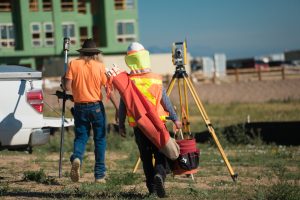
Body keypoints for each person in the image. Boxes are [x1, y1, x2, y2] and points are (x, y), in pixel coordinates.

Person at [118, 42, 181, 197]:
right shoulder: (156, 79)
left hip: (139, 126)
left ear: (129, 60)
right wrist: (175, 118)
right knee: (161, 152)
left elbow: (122, 107)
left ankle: (152, 188)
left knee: (146, 158)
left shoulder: (128, 82)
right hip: (158, 124)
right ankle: (160, 174)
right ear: (145, 57)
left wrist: (120, 125)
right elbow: (165, 101)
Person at [62, 38, 118, 183]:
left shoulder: (73, 64)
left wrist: (63, 79)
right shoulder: (100, 66)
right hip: (96, 107)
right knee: (100, 140)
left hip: (80, 107)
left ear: (82, 52)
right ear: (95, 53)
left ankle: (77, 158)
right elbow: (109, 90)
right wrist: (118, 108)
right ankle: (99, 176)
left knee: (81, 137)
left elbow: (67, 87)